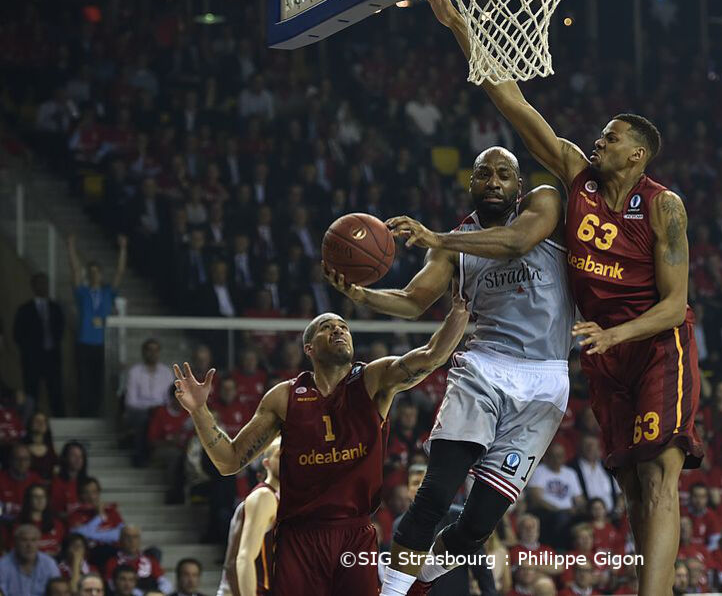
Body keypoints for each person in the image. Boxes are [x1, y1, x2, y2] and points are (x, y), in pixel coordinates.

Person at [425, 0, 702, 594]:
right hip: (600, 350)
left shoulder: (665, 207)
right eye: (598, 136)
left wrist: (615, 333)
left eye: (611, 137)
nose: (597, 141)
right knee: (629, 481)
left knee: (660, 472)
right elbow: (512, 101)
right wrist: (458, 29)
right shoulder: (575, 174)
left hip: (653, 342)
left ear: (637, 152)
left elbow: (675, 305)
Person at [326, 145, 574, 596]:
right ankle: (391, 592)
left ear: (518, 185)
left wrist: (437, 237)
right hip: (483, 367)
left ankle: (421, 578)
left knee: (477, 524)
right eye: (484, 174)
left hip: (545, 382)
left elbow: (517, 242)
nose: (494, 182)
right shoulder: (455, 247)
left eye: (503, 174)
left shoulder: (544, 203)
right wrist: (363, 296)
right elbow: (413, 299)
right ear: (471, 184)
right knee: (436, 494)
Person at [174, 295, 470, 596]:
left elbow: (432, 355)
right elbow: (229, 461)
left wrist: (459, 313)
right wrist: (199, 410)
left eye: (343, 326)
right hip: (300, 537)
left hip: (354, 532)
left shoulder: (373, 379)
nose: (339, 330)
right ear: (309, 349)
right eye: (327, 327)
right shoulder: (283, 397)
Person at [67, 234, 127, 416]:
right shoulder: (82, 292)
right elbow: (75, 270)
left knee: (99, 380)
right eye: (91, 271)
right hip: (84, 341)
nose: (94, 274)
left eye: (97, 271)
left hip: (102, 343)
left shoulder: (108, 292)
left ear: (101, 274)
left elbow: (119, 272)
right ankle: (84, 412)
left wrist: (123, 249)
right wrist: (70, 246)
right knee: (84, 380)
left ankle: (97, 412)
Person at [218, 439, 280, 596]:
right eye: (280, 455)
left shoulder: (280, 500)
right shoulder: (263, 497)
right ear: (267, 463)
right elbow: (236, 560)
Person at [13, 273, 66, 416]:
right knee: (32, 392)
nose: (42, 286)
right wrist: (31, 349)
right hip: (32, 358)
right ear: (33, 286)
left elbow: (60, 330)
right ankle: (30, 423)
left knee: (55, 391)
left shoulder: (55, 308)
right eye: (39, 283)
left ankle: (60, 420)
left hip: (52, 357)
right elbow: (17, 335)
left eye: (45, 283)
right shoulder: (24, 310)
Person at [122, 339, 174, 467]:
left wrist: (159, 409)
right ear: (143, 352)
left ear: (159, 353)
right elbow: (131, 401)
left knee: (159, 416)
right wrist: (150, 408)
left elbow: (170, 398)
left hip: (160, 410)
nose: (152, 353)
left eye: (155, 350)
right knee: (144, 418)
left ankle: (148, 453)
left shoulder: (166, 372)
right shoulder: (134, 372)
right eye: (149, 350)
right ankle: (140, 456)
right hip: (138, 411)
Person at [103, 526, 171, 594]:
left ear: (139, 540)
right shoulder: (112, 562)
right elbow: (111, 586)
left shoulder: (150, 560)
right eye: (127, 537)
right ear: (120, 540)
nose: (131, 541)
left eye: (135, 537)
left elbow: (165, 584)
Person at [0, 524, 62, 596]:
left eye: (33, 540)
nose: (29, 545)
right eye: (24, 540)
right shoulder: (3, 565)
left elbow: (58, 591)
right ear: (16, 542)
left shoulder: (49, 564)